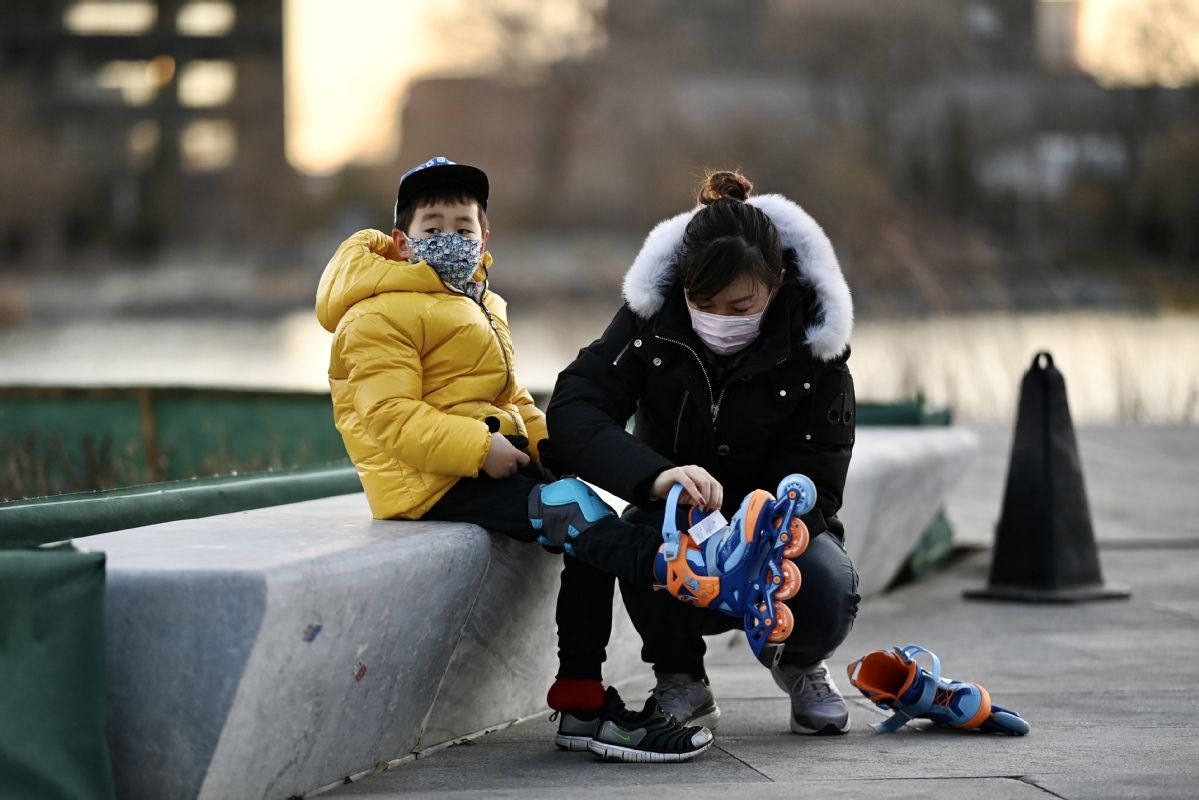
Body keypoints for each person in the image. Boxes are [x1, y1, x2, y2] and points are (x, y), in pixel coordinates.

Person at [313, 156, 789, 762]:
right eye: (433, 229)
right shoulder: (379, 311)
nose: (451, 240)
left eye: (464, 227)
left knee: (584, 527)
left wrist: (544, 446)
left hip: (474, 461)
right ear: (404, 242)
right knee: (573, 511)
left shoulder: (478, 301)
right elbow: (388, 417)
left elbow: (510, 396)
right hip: (426, 481)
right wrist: (479, 449)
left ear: (485, 236)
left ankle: (581, 703)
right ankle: (689, 568)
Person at [543, 169, 861, 737]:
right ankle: (680, 675)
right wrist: (658, 477)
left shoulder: (818, 351)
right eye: (702, 302)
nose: (720, 320)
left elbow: (821, 477)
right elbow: (575, 408)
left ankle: (801, 662)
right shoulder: (650, 324)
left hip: (779, 534)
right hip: (679, 523)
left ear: (778, 282)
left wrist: (756, 532)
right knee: (639, 534)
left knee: (828, 582)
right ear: (681, 287)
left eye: (740, 306)